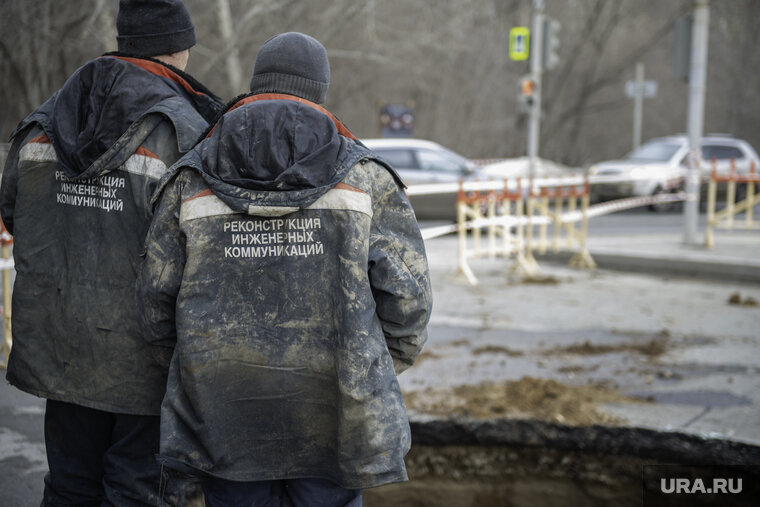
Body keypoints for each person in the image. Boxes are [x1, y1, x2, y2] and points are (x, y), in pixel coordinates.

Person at [137, 32, 432, 506]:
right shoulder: (365, 178)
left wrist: (195, 371)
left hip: (224, 409)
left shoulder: (192, 175)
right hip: (335, 410)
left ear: (257, 84)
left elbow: (155, 298)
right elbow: (408, 299)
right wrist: (368, 366)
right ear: (319, 91)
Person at [0, 1, 222, 505]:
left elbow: (13, 213)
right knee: (137, 491)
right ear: (181, 45)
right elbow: (204, 250)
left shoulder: (47, 117)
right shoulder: (182, 128)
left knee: (68, 486)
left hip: (62, 348)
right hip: (144, 359)